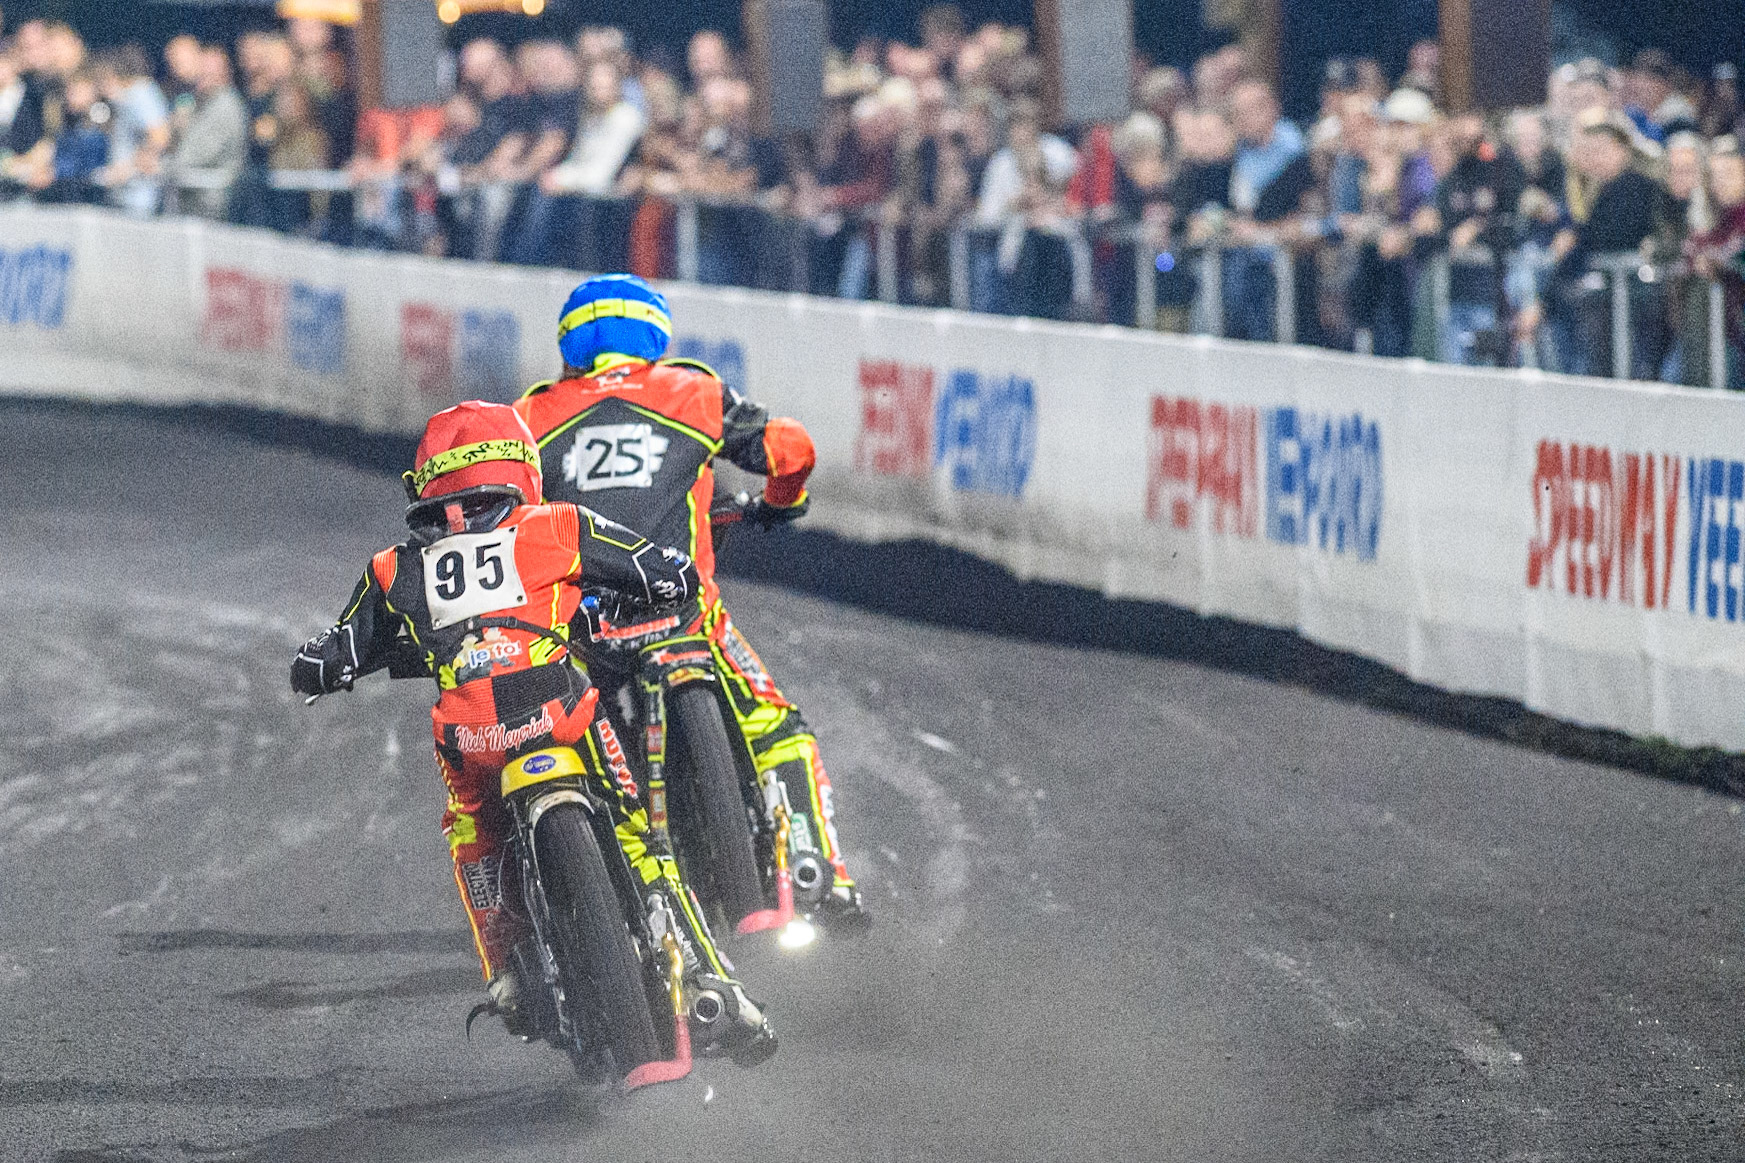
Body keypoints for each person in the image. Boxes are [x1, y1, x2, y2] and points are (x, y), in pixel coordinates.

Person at [291, 401, 776, 1061]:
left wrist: (322, 668)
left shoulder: (393, 569)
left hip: (471, 740)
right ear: (521, 464)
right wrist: (668, 587)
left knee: (474, 833)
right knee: (641, 834)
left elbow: (334, 652)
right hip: (563, 711)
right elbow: (659, 570)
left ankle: (507, 971)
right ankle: (710, 978)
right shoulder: (557, 524)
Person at [514, 275, 870, 935]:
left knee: (570, 750)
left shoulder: (531, 416)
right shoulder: (691, 391)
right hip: (684, 610)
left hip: (583, 623)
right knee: (774, 725)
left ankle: (618, 889)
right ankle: (821, 866)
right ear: (654, 335)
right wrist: (781, 503)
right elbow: (793, 449)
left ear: (570, 344)